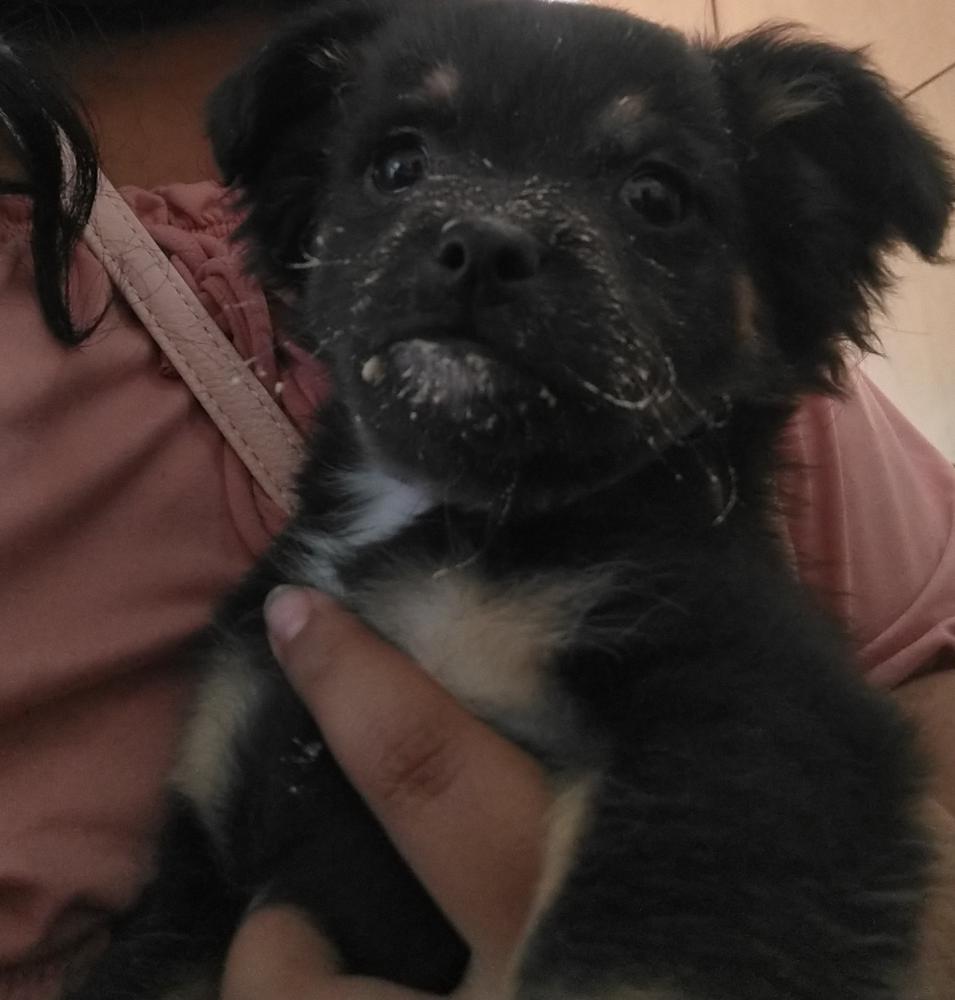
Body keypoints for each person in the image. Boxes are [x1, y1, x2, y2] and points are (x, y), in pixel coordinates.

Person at [0, 2, 953, 997]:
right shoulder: (270, 621)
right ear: (300, 209)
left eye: (652, 199)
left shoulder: (697, 639)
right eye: (400, 165)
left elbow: (853, 768)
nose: (485, 229)